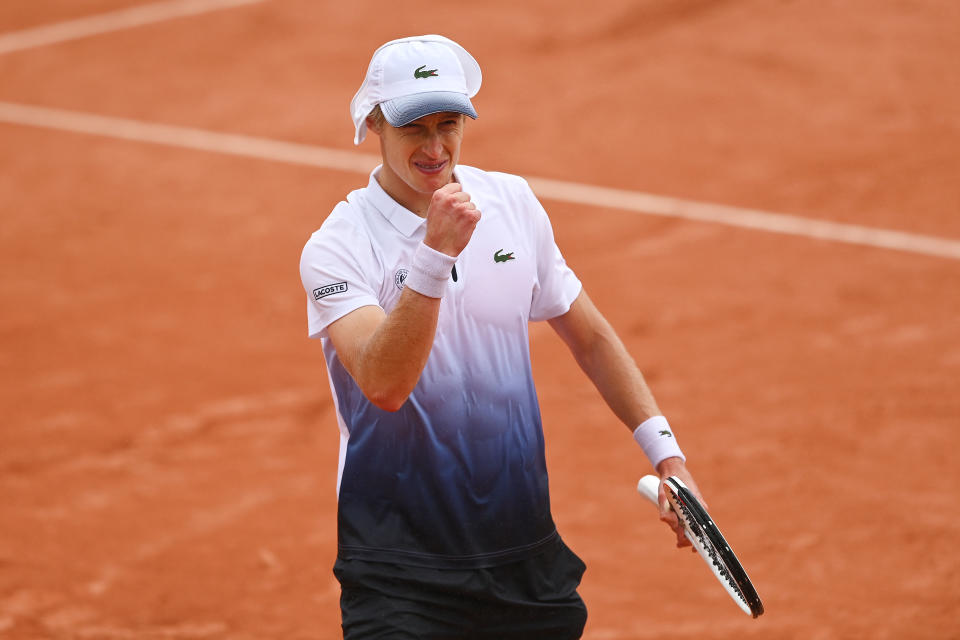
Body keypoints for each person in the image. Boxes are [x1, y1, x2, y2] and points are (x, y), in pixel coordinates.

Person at [299, 34, 706, 639]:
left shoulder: (512, 203)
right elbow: (384, 384)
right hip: (400, 567)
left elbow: (590, 336)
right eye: (415, 129)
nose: (436, 148)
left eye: (449, 124)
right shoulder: (337, 248)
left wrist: (668, 455)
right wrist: (435, 254)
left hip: (523, 555)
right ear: (377, 123)